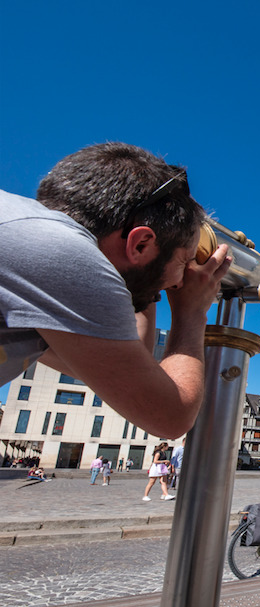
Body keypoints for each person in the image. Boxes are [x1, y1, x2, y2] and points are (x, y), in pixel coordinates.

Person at [0, 142, 232, 439]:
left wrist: (146, 279)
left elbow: (130, 358)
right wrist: (192, 312)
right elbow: (170, 416)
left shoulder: (28, 239)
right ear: (140, 244)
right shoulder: (62, 255)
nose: (179, 282)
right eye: (184, 261)